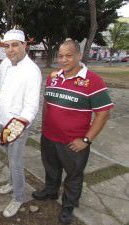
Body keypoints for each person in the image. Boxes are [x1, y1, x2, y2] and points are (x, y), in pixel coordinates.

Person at [32, 39, 114, 224]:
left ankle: (68, 206)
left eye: (68, 55)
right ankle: (50, 192)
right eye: (60, 56)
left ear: (78, 55)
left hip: (73, 143)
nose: (63, 60)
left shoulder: (93, 80)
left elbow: (103, 114)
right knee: (51, 168)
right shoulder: (53, 76)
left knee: (74, 176)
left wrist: (86, 140)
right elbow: (47, 102)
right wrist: (45, 127)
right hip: (49, 137)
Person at [0, 29, 42, 217]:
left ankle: (18, 197)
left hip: (18, 125)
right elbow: (2, 88)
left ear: (25, 46)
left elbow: (32, 105)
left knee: (15, 162)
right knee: (8, 156)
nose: (10, 49)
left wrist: (19, 126)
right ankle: (13, 183)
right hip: (1, 120)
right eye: (7, 46)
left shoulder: (32, 70)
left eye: (15, 45)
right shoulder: (5, 64)